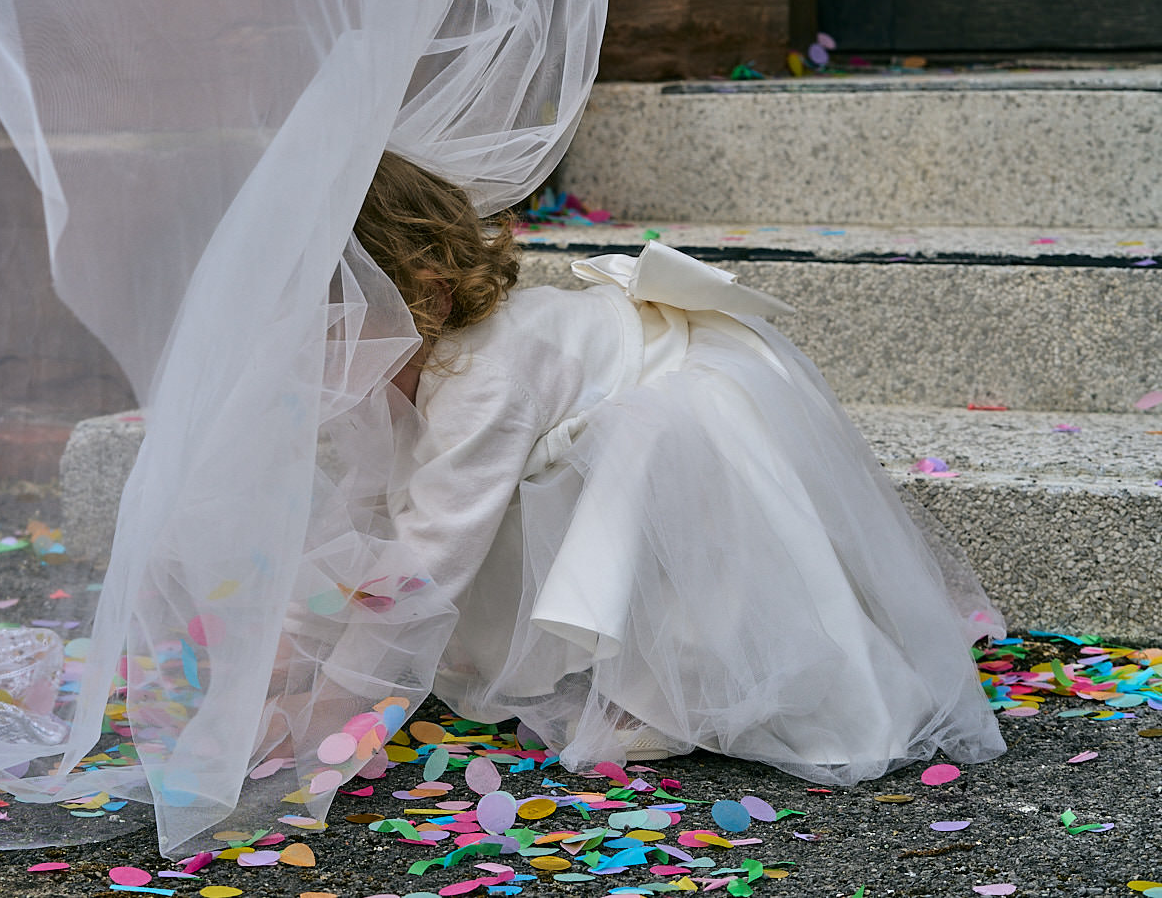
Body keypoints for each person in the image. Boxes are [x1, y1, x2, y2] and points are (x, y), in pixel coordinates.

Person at [342, 151, 1007, 780]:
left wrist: (338, 693)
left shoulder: (483, 380)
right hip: (628, 411)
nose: (333, 364)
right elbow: (387, 501)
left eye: (341, 332)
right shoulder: (442, 356)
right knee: (530, 486)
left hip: (688, 427)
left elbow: (434, 547)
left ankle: (671, 696)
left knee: (662, 539)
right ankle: (612, 671)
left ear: (428, 297)